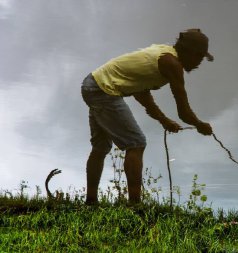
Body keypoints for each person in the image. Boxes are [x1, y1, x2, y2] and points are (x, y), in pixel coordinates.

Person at [81, 28, 214, 204]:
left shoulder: (163, 52)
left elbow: (140, 92)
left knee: (100, 147)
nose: (198, 63)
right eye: (199, 56)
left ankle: (91, 202)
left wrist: (164, 120)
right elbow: (184, 112)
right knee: (136, 143)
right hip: (103, 90)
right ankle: (135, 206)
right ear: (189, 52)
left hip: (93, 84)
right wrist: (199, 124)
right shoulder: (171, 64)